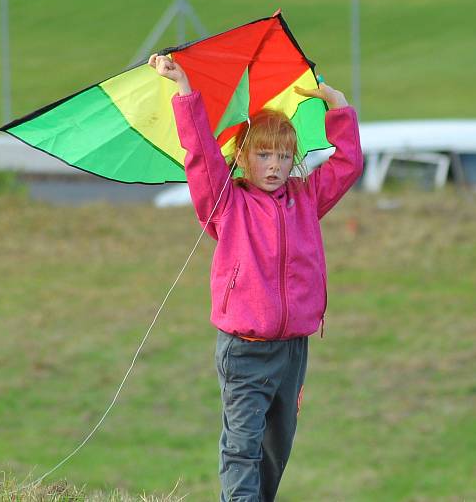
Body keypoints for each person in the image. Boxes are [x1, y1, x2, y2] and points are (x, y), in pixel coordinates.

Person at [148, 54, 363, 502]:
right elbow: (201, 156)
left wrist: (339, 107)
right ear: (243, 157)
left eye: (284, 156)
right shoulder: (227, 203)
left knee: (274, 450)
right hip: (245, 350)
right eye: (263, 154)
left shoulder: (306, 198)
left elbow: (347, 166)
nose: (274, 166)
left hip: (292, 350)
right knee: (242, 447)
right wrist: (185, 90)